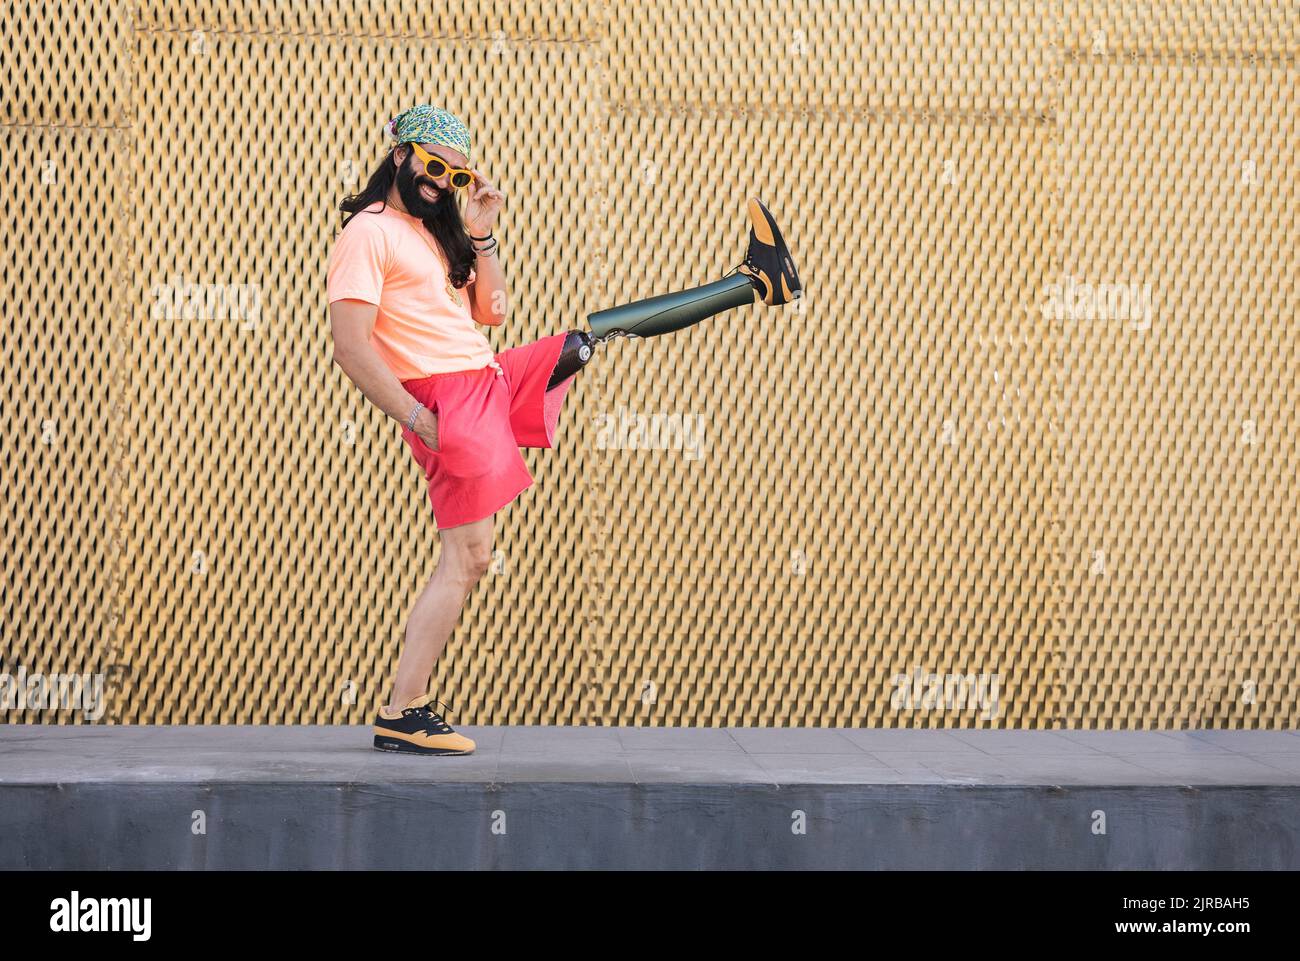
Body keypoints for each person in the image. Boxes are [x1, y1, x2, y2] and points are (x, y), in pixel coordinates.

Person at [326, 105, 802, 755]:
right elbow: (351, 347)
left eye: (455, 175)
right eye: (434, 167)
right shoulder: (368, 233)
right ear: (403, 155)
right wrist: (420, 420)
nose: (441, 183)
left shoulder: (429, 232)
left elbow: (491, 311)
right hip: (446, 398)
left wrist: (481, 234)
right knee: (468, 558)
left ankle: (755, 280)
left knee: (589, 338)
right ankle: (404, 708)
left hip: (484, 375)